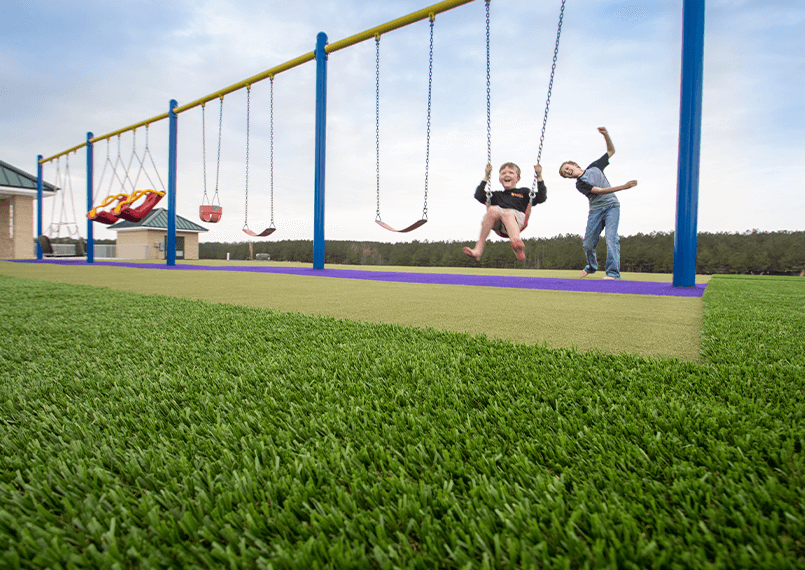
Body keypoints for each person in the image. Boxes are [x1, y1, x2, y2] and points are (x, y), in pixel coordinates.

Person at [559, 127, 637, 279]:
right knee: (588, 244)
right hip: (596, 211)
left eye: (568, 168)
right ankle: (591, 266)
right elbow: (599, 191)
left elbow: (611, 151)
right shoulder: (580, 184)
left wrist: (606, 135)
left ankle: (613, 273)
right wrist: (623, 187)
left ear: (575, 164)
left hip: (612, 207)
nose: (568, 172)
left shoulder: (595, 166)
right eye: (565, 173)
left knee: (611, 238)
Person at [463, 162, 546, 262]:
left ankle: (517, 245)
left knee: (507, 214)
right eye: (503, 173)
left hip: (516, 221)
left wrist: (539, 176)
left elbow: (541, 198)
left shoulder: (524, 192)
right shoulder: (495, 195)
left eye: (511, 172)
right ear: (499, 179)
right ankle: (478, 250)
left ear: (518, 178)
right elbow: (478, 195)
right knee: (492, 210)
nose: (507, 175)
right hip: (499, 225)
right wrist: (486, 176)